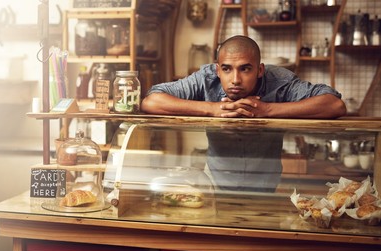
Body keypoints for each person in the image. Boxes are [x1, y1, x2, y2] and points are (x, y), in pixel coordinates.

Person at [141, 35, 347, 193]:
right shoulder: (205, 78)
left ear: (260, 70)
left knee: (257, 245)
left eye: (245, 69)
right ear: (217, 70)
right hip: (216, 182)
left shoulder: (280, 81)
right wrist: (212, 109)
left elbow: (334, 105)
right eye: (227, 69)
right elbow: (152, 101)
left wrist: (267, 110)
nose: (235, 79)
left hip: (266, 185)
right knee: (218, 245)